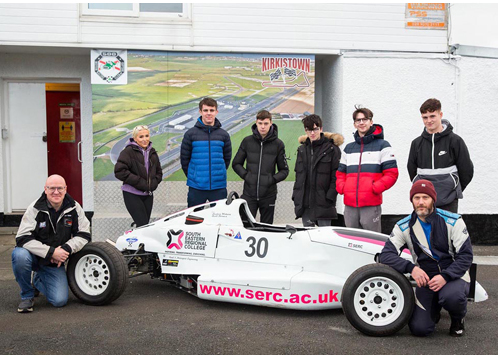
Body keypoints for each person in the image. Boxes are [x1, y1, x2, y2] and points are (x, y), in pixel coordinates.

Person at [380, 179, 472, 337]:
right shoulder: (403, 226)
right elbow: (386, 255)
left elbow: (465, 256)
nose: (421, 202)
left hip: (453, 276)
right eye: (416, 198)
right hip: (425, 279)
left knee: (452, 297)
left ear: (433, 200)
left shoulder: (453, 221)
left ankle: (458, 319)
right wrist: (412, 268)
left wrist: (445, 276)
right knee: (419, 329)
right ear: (412, 201)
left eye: (425, 197)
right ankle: (433, 309)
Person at [12, 174, 91, 313]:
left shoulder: (74, 207)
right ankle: (27, 296)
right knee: (19, 255)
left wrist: (66, 248)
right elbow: (22, 238)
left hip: (54, 262)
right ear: (45, 189)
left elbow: (84, 235)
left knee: (59, 300)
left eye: (60, 188)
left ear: (66, 189)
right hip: (34, 257)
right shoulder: (35, 208)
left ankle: (37, 280)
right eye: (52, 188)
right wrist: (51, 252)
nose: (56, 192)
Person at [336, 107, 398, 232]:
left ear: (371, 121)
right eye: (358, 120)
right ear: (354, 124)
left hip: (371, 204)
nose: (361, 122)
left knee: (372, 242)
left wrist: (374, 188)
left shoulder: (383, 145)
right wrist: (343, 188)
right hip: (350, 205)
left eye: (365, 119)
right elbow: (340, 173)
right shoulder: (348, 148)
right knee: (351, 242)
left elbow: (392, 174)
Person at [407, 98, 474, 213]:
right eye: (425, 117)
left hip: (449, 201)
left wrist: (454, 190)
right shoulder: (416, 143)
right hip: (424, 201)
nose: (429, 120)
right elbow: (411, 169)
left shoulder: (455, 141)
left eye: (432, 116)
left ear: (440, 114)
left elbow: (466, 170)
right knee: (426, 231)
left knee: (447, 231)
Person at [232, 110, 289, 224]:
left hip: (268, 195)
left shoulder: (278, 144)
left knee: (266, 228)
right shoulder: (247, 141)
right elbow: (236, 163)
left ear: (271, 123)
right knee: (246, 225)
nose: (263, 127)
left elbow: (284, 170)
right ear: (256, 123)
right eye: (260, 123)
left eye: (266, 123)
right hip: (249, 194)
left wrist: (271, 180)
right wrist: (247, 176)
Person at [292, 114, 343, 227]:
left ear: (321, 129)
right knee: (308, 239)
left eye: (315, 129)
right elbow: (299, 176)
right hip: (305, 205)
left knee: (324, 239)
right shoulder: (301, 150)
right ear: (305, 130)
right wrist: (296, 196)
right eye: (309, 130)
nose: (313, 133)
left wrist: (330, 196)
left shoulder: (332, 149)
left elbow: (337, 175)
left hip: (324, 204)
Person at [181, 97, 232, 207]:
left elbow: (227, 159)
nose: (209, 113)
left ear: (216, 112)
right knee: (194, 220)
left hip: (218, 187)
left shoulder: (224, 135)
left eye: (211, 110)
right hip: (196, 187)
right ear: (200, 112)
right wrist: (195, 176)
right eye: (205, 110)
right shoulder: (190, 134)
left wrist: (217, 174)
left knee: (219, 220)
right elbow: (184, 160)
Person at [114, 125, 163, 227]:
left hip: (148, 195)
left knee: (144, 226)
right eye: (141, 137)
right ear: (135, 138)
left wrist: (153, 184)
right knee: (143, 225)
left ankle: (136, 240)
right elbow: (119, 171)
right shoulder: (128, 152)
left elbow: (159, 172)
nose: (145, 139)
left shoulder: (153, 152)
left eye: (147, 136)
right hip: (132, 194)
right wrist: (139, 182)